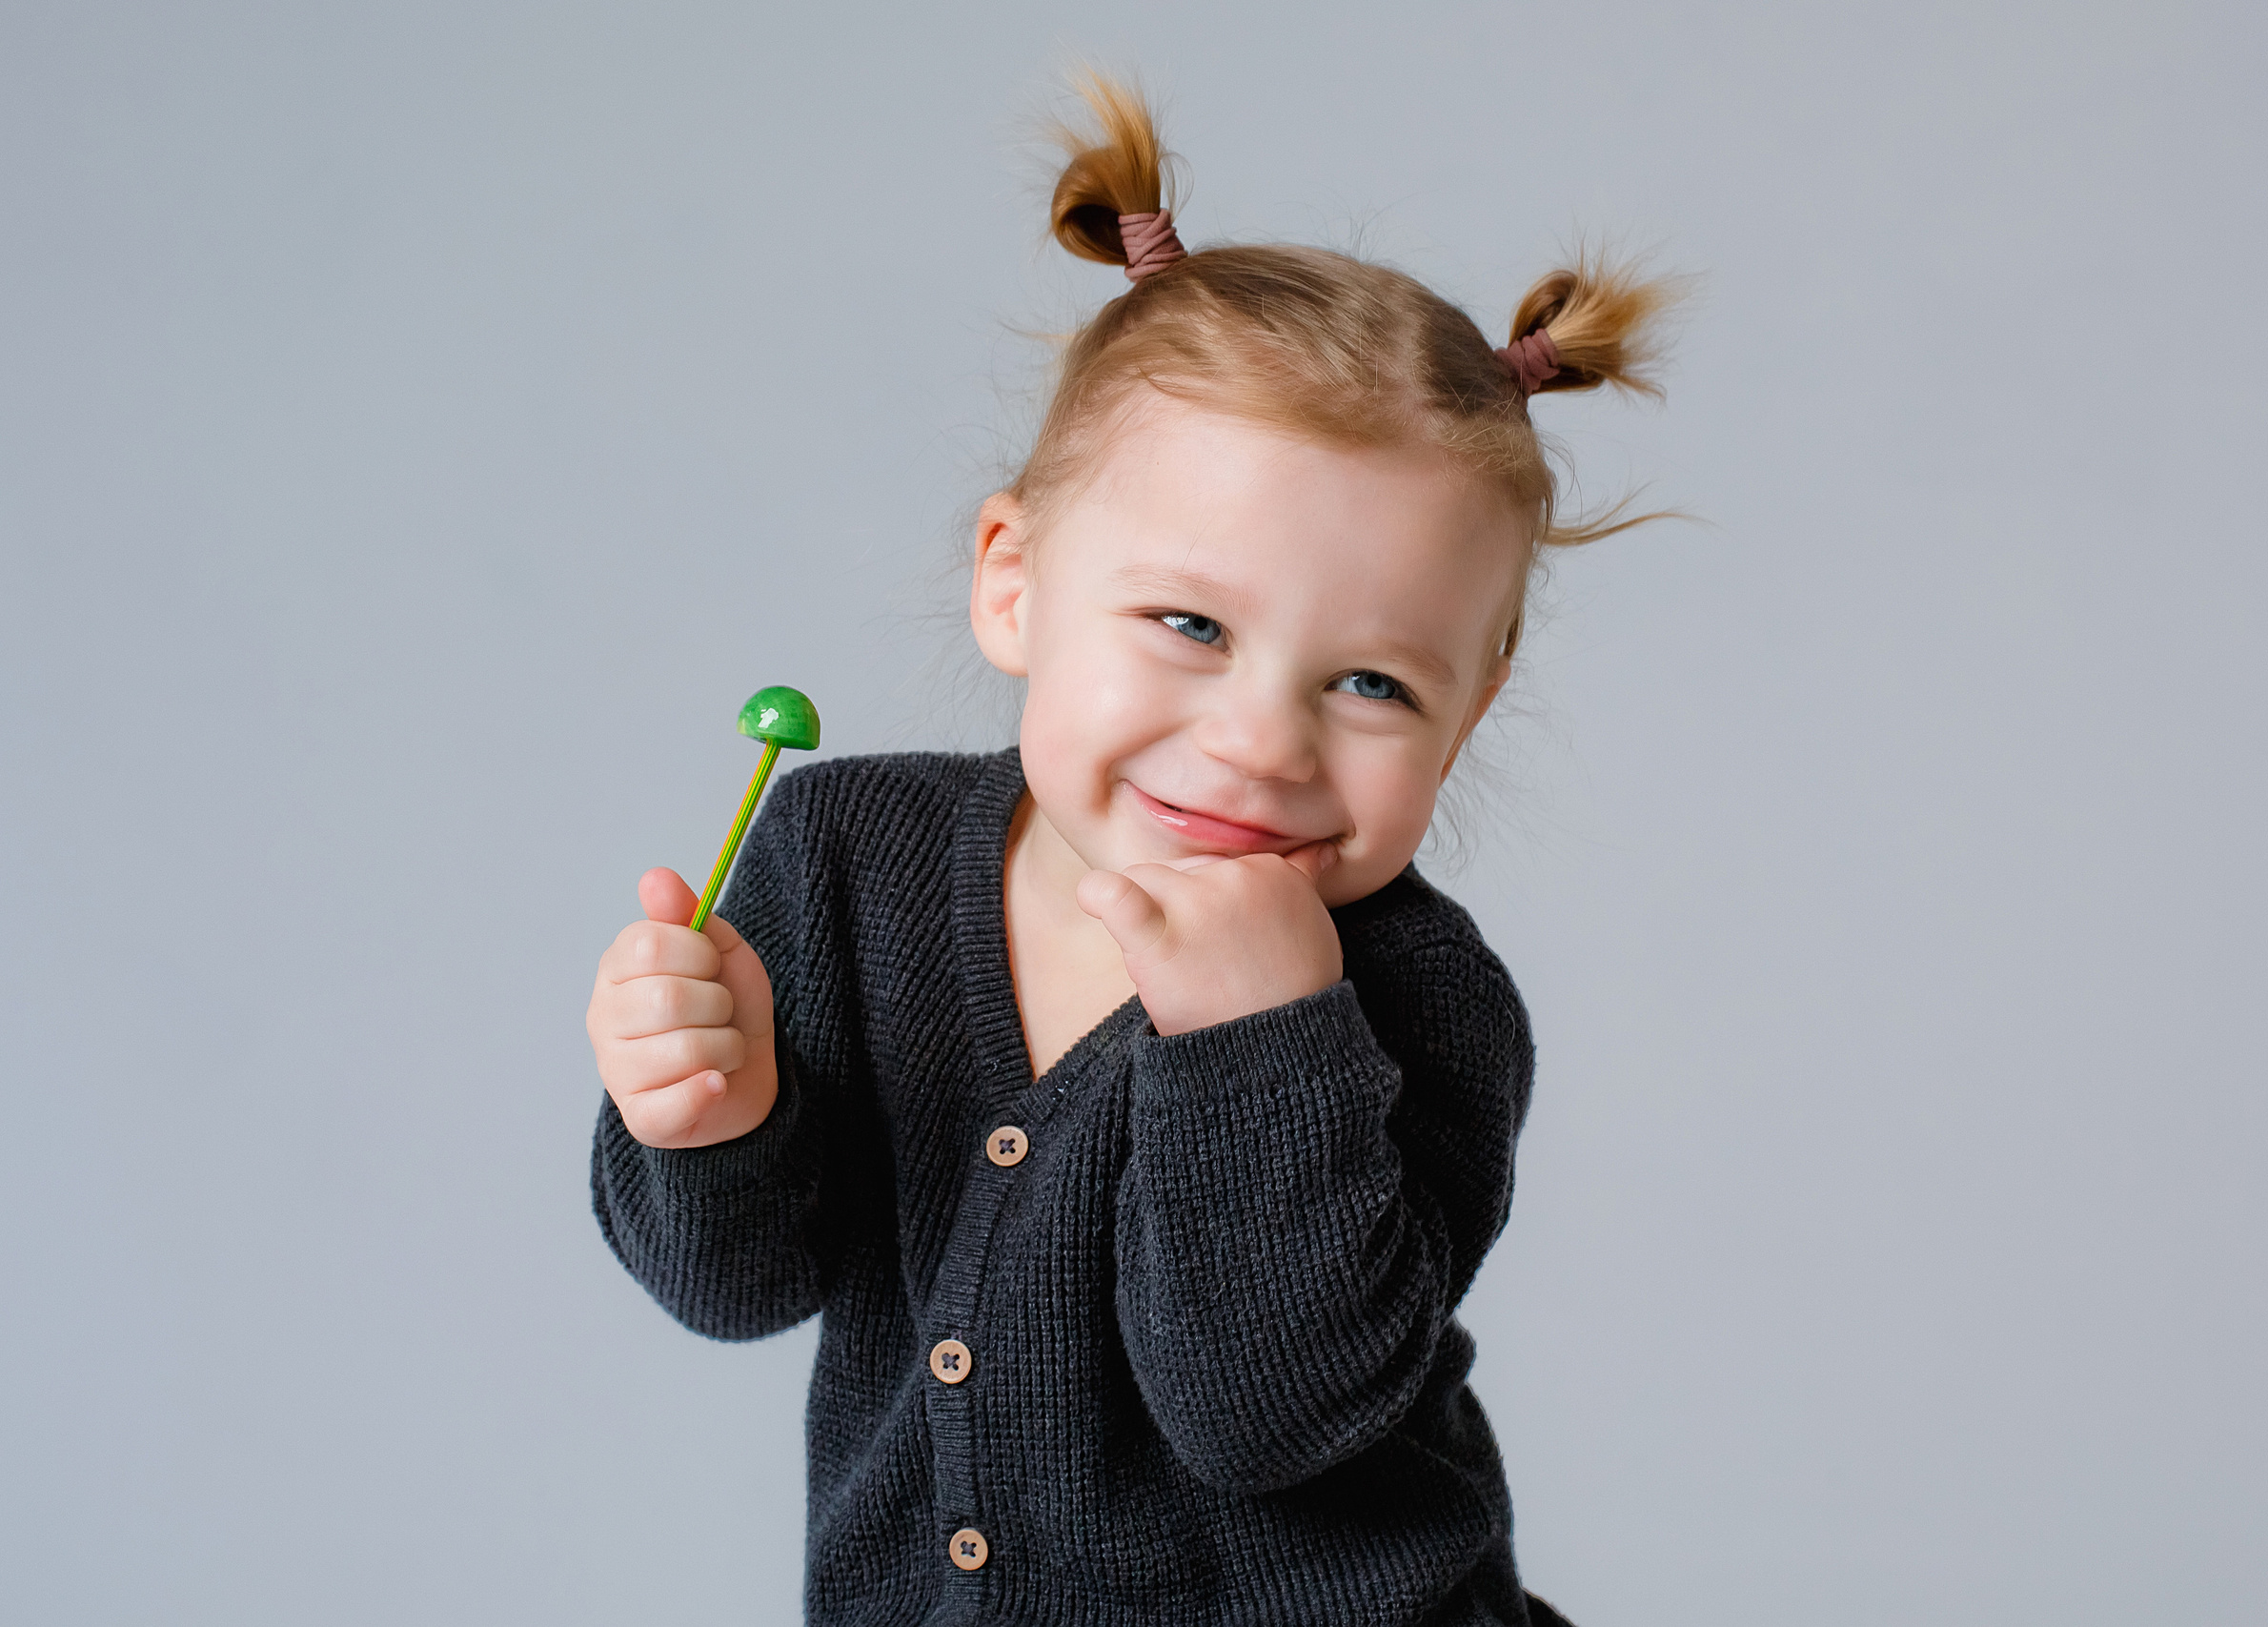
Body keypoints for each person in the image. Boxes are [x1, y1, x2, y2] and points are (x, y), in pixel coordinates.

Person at [584, 75, 1673, 1627]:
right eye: (1190, 625)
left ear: (1470, 711)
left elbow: (1269, 1414)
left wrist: (1263, 1040)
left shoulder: (1423, 999)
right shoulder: (845, 860)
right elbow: (739, 1288)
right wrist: (707, 1121)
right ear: (1014, 583)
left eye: (1372, 682)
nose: (1260, 741)